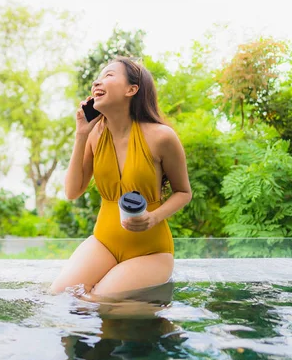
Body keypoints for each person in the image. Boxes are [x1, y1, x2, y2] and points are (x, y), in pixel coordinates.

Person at [50, 56, 192, 297]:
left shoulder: (162, 137)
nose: (97, 81)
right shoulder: (94, 135)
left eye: (109, 75)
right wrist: (81, 133)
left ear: (131, 89)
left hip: (151, 252)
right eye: (98, 77)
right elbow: (72, 191)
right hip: (103, 243)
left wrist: (153, 217)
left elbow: (184, 192)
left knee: (99, 302)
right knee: (60, 297)